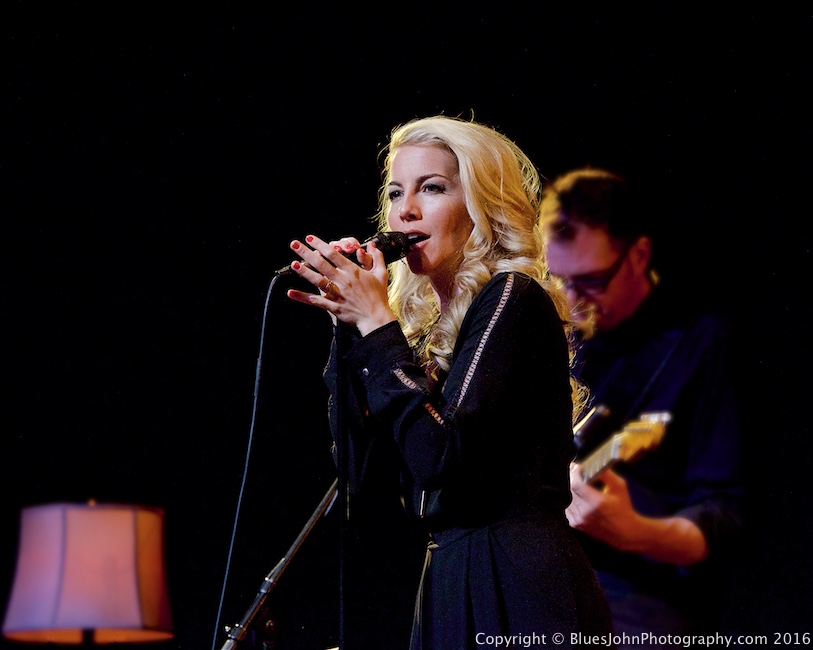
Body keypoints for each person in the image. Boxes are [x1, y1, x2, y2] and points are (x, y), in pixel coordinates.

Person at [285, 116, 613, 649]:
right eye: (394, 194)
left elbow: (441, 456)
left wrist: (376, 327)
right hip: (446, 577)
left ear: (479, 208)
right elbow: (359, 479)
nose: (404, 210)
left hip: (515, 575)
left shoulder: (513, 298)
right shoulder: (424, 338)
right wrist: (349, 335)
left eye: (431, 188)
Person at [538, 168, 744, 645]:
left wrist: (635, 531)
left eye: (590, 282)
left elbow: (727, 519)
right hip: (542, 581)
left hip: (641, 598)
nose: (571, 302)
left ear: (639, 255)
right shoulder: (556, 333)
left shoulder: (701, 344)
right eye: (559, 280)